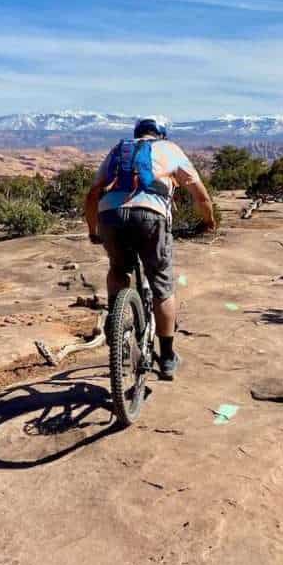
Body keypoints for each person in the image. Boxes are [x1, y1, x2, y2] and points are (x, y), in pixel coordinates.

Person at [84, 116, 216, 380]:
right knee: (162, 287)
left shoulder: (118, 151)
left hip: (110, 214)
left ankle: (116, 323)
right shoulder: (170, 149)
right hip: (151, 216)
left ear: (137, 134)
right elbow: (199, 193)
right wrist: (208, 221)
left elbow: (92, 193)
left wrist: (92, 230)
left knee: (118, 269)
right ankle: (167, 358)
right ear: (161, 135)